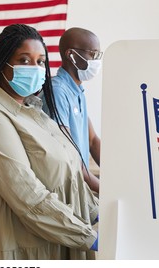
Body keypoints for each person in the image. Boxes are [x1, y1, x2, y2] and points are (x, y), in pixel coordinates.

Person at [0, 24, 99, 260]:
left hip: (49, 236)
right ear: (2, 63)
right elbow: (27, 194)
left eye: (40, 62)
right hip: (12, 245)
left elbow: (67, 174)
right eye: (24, 60)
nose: (35, 68)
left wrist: (94, 211)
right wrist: (89, 237)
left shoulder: (30, 107)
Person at [50, 27, 102, 194]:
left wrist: (117, 174)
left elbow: (93, 140)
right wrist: (106, 189)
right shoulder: (57, 91)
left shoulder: (77, 91)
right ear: (70, 54)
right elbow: (68, 155)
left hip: (80, 184)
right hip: (64, 189)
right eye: (93, 54)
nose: (96, 61)